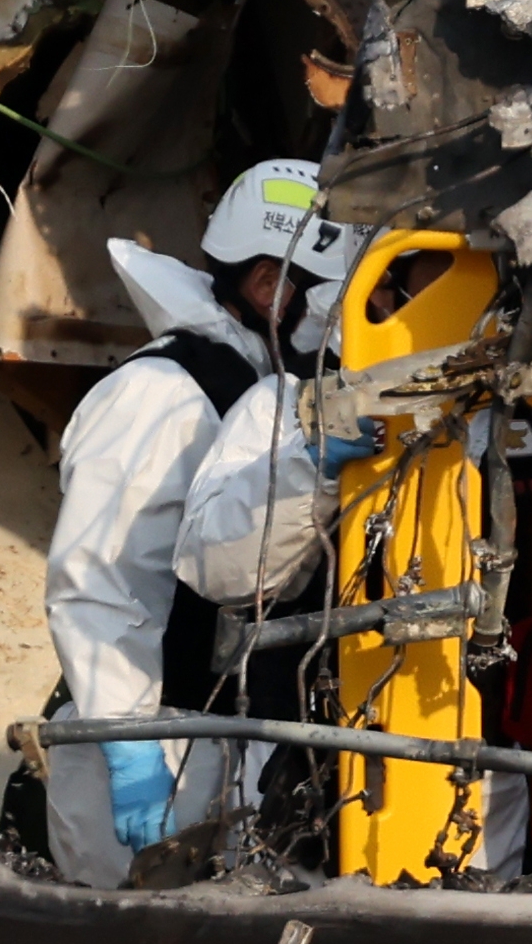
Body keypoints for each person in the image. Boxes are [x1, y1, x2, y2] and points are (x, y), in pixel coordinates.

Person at [40, 155, 341, 886]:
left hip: (223, 740)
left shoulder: (266, 394)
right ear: (270, 286)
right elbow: (102, 581)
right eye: (339, 294)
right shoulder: (164, 392)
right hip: (153, 746)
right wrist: (129, 742)